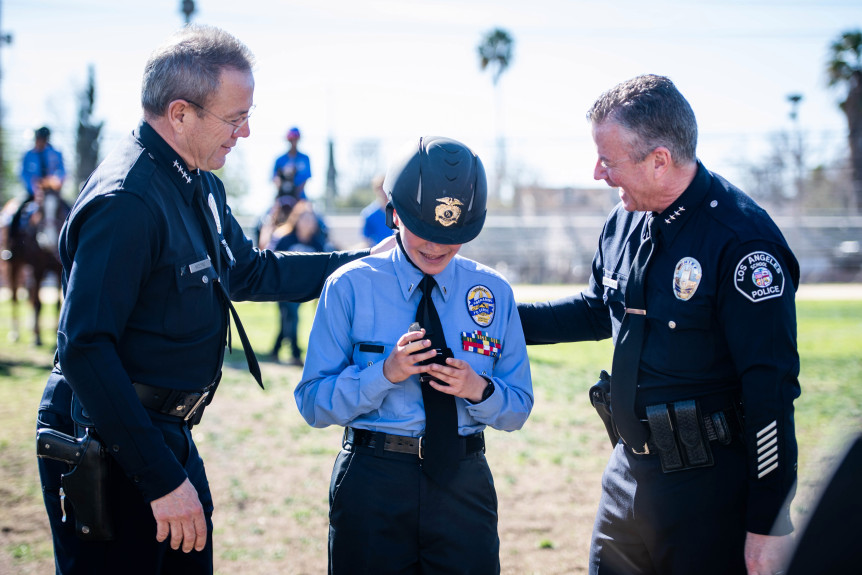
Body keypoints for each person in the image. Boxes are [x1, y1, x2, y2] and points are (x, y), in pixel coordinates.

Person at [35, 25, 383, 575]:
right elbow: (84, 349)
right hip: (108, 436)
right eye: (235, 117)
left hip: (161, 434)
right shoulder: (127, 201)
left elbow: (248, 272)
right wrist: (161, 478)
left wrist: (369, 263)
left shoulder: (198, 181)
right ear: (180, 114)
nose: (246, 132)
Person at [517, 74, 800, 575]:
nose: (598, 173)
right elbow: (596, 309)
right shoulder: (625, 219)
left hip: (708, 491)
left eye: (609, 160)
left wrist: (767, 523)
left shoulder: (741, 241)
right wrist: (500, 321)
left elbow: (770, 389)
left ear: (659, 160)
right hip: (627, 474)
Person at [295, 136, 533, 574]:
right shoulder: (349, 286)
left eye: (455, 235)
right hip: (373, 482)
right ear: (394, 213)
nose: (439, 246)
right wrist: (383, 373)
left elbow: (518, 408)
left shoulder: (494, 293)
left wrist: (478, 390)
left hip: (464, 484)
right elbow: (312, 401)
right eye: (426, 229)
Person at [268, 200, 334, 365]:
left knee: (287, 319)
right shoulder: (285, 239)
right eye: (304, 218)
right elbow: (272, 261)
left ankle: (275, 350)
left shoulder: (317, 243)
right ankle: (296, 354)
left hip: (305, 289)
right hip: (284, 288)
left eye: (310, 218)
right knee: (292, 317)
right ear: (296, 219)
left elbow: (325, 265)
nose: (307, 222)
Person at [7, 126, 66, 238]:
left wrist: (55, 181)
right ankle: (11, 243)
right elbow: (23, 173)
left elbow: (62, 171)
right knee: (16, 215)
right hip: (32, 193)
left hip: (52, 193)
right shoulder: (28, 154)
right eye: (38, 138)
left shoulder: (56, 153)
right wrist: (34, 188)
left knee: (70, 211)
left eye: (42, 139)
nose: (39, 141)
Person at [272, 126, 311, 200]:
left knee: (308, 210)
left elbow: (305, 178)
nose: (293, 142)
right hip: (282, 197)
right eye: (291, 140)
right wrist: (283, 190)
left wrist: (295, 193)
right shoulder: (280, 160)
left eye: (295, 139)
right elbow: (275, 177)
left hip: (300, 197)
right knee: (271, 211)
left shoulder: (304, 158)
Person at [359, 174, 394, 246]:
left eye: (385, 187)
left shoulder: (398, 211)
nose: (383, 192)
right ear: (375, 190)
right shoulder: (368, 214)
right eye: (380, 188)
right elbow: (366, 240)